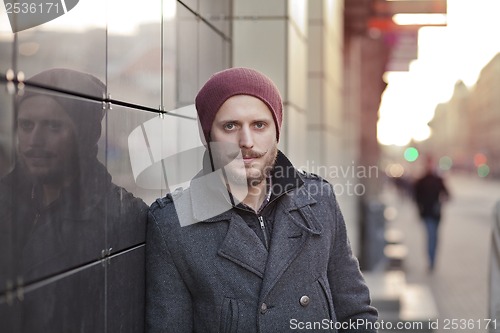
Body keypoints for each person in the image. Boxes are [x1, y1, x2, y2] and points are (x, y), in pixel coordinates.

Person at [146, 67, 378, 332]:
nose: (246, 141)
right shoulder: (173, 223)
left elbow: (356, 313)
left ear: (276, 131)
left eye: (259, 125)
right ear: (208, 136)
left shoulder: (319, 199)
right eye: (230, 126)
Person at [0, 68, 148, 332]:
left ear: (84, 134)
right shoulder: (5, 202)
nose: (34, 141)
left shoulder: (122, 216)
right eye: (26, 125)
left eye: (53, 126)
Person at [413, 155, 450, 271]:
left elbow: (448, 194)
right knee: (431, 237)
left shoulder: (438, 179)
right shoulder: (421, 180)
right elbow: (416, 197)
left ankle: (433, 259)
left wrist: (442, 200)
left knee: (435, 238)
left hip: (436, 214)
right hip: (427, 214)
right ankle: (431, 260)